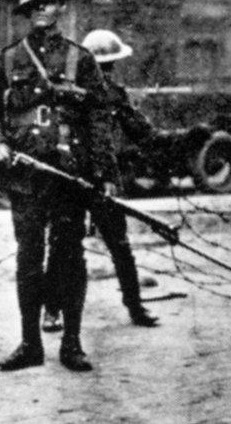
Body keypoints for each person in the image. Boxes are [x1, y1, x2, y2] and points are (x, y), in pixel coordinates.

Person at [0, 0, 118, 372]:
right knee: (28, 261)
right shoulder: (9, 59)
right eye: (35, 5)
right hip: (27, 179)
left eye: (50, 2)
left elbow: (99, 119)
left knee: (70, 258)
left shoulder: (81, 59)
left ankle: (71, 344)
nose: (42, 9)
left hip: (70, 177)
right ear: (26, 13)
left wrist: (104, 173)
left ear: (60, 9)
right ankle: (29, 344)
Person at [41, 30, 160, 332]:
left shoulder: (115, 94)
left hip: (103, 180)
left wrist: (155, 138)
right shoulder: (68, 93)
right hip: (72, 180)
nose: (105, 74)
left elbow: (139, 130)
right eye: (102, 67)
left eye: (107, 68)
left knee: (118, 245)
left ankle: (135, 307)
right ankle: (52, 310)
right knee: (62, 244)